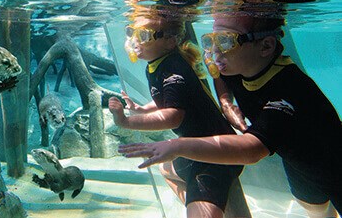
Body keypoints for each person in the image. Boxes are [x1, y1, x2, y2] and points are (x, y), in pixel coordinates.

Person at [119, 12, 342, 218]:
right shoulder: (241, 64)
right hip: (298, 162)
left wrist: (176, 146)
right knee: (314, 208)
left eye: (226, 41)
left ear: (266, 45)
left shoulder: (289, 89)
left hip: (335, 170)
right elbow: (220, 77)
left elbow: (251, 149)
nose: (215, 52)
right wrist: (226, 103)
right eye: (211, 41)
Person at [109, 11, 251, 218]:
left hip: (214, 154)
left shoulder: (174, 68)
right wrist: (142, 109)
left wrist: (125, 121)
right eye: (131, 33)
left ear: (170, 41)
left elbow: (173, 115)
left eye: (144, 35)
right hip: (193, 149)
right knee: (165, 170)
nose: (134, 41)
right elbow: (168, 100)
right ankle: (206, 203)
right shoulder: (158, 64)